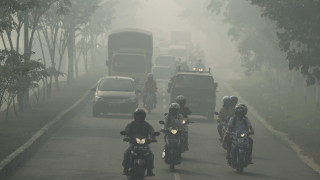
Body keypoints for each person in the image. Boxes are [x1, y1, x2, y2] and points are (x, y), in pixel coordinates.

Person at [122, 109, 156, 176]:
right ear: (135, 116)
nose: (140, 117)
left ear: (144, 117)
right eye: (138, 116)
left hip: (144, 144)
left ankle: (149, 170)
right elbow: (126, 132)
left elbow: (152, 132)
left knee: (151, 155)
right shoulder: (131, 124)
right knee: (126, 153)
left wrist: (153, 138)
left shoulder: (147, 125)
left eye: (141, 116)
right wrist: (126, 137)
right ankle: (125, 169)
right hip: (133, 143)